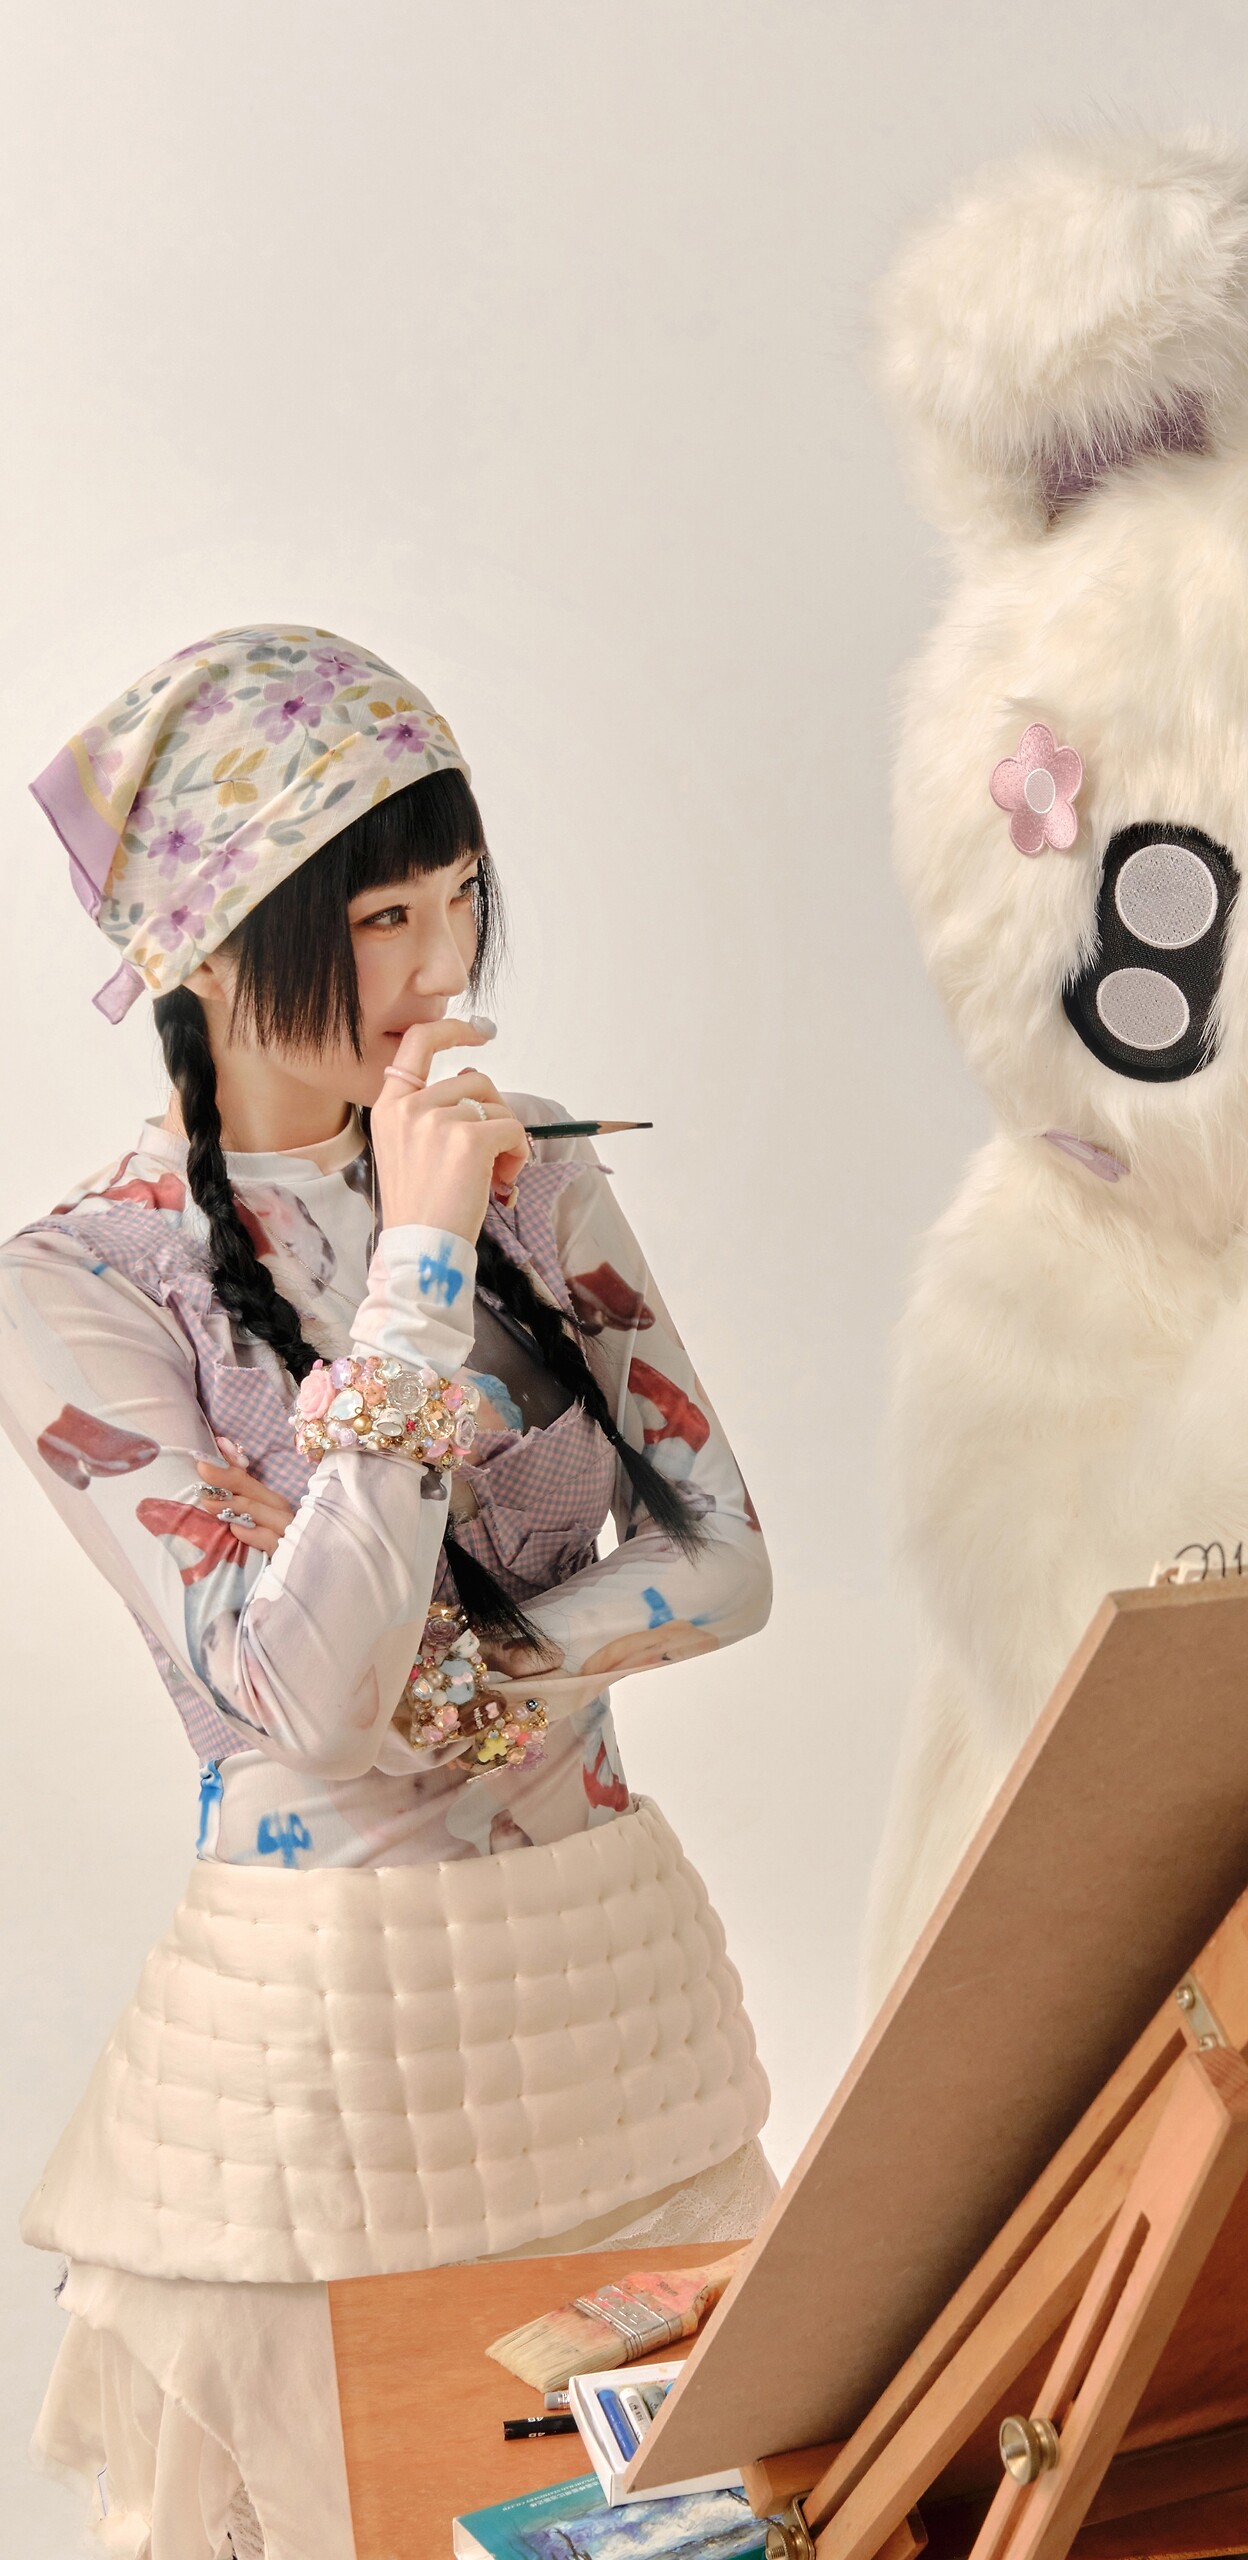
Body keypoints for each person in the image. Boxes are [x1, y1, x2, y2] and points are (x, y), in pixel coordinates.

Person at [0, 625, 776, 2558]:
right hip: (318, 2056)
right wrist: (419, 1260)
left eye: (462, 901)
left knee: (712, 2500)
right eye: (378, 919)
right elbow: (310, 1700)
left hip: (606, 1994)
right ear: (204, 941)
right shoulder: (77, 1285)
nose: (443, 972)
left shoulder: (543, 1179)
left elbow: (727, 1559)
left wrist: (479, 1669)